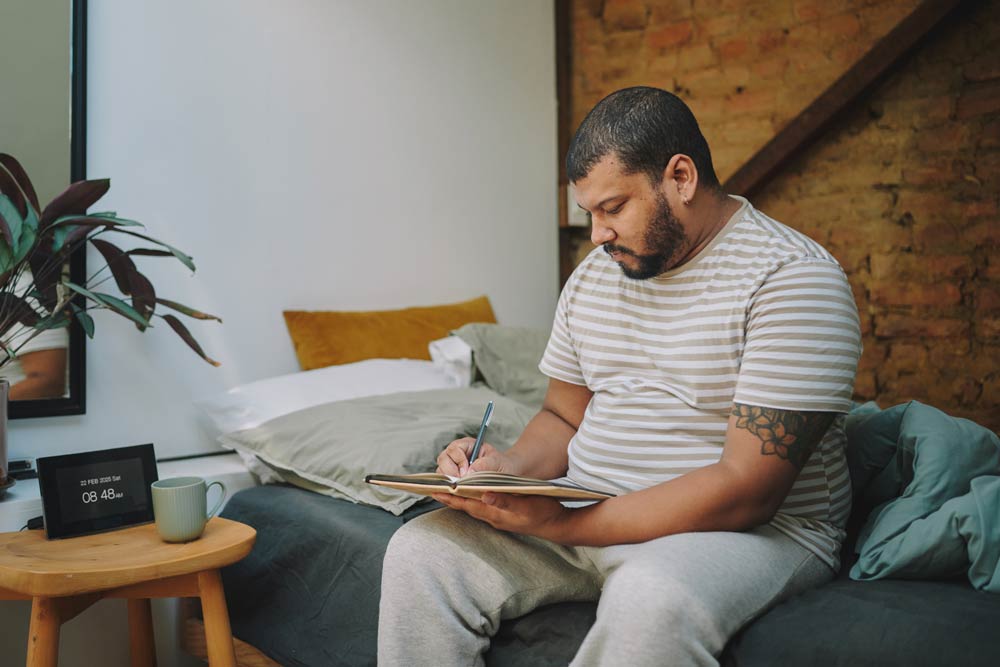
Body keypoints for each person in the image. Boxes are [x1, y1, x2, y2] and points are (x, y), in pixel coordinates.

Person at [378, 86, 862, 666]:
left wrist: (562, 523)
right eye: (589, 213)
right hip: (589, 510)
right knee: (419, 550)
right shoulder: (594, 279)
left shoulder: (792, 279)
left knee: (650, 597)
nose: (597, 235)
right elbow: (563, 416)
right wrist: (506, 472)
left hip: (742, 535)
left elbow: (746, 491)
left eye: (613, 208)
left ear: (680, 177)